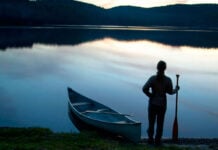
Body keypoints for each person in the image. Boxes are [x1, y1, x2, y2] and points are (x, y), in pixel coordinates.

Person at [142, 60, 179, 146]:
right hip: (162, 106)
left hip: (152, 105)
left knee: (151, 123)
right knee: (160, 124)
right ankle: (157, 141)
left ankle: (150, 140)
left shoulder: (152, 79)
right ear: (165, 68)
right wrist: (176, 89)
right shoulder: (168, 80)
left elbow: (144, 89)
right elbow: (170, 92)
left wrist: (150, 95)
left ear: (157, 67)